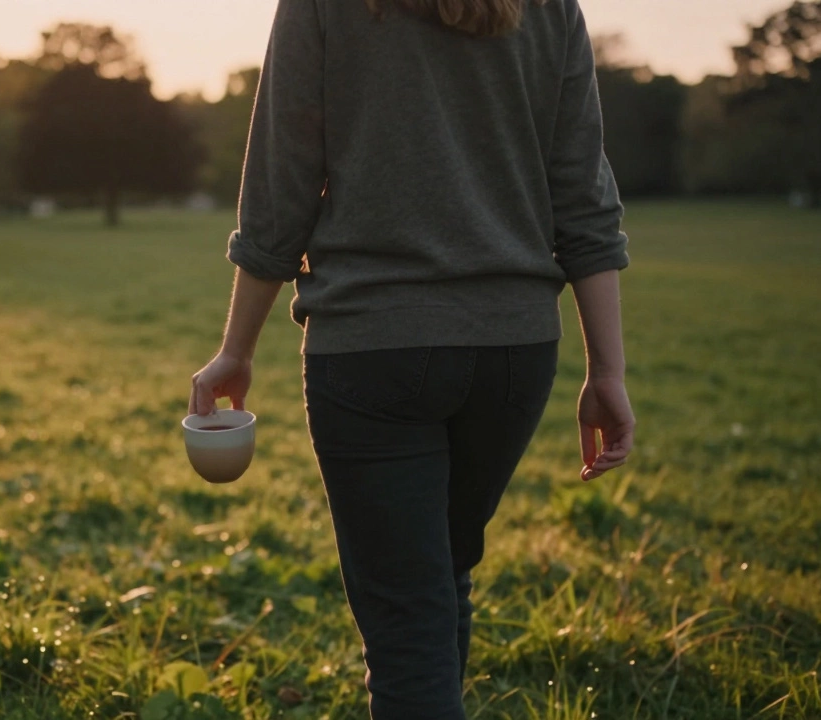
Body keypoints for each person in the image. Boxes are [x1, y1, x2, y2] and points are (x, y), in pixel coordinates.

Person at [188, 0, 636, 717]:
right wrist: (606, 370)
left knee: (407, 621)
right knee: (438, 578)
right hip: (514, 354)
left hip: (372, 351)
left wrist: (236, 349)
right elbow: (583, 195)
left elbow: (281, 184)